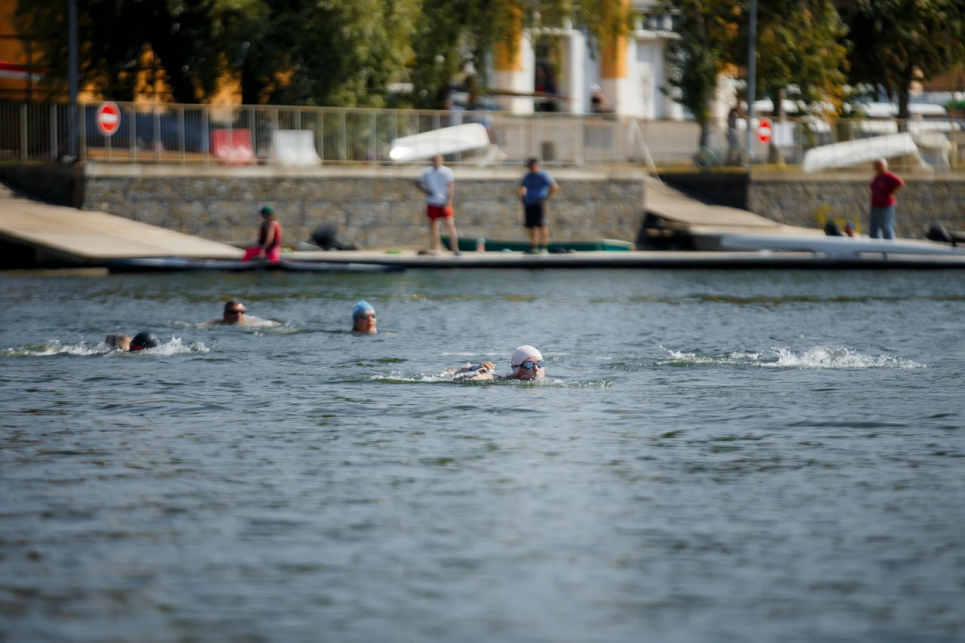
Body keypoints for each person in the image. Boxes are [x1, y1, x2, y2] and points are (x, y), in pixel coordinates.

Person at [415, 155, 460, 256]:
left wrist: (448, 202)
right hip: (432, 202)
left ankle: (455, 249)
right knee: (434, 226)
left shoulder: (447, 172)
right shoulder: (428, 172)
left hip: (444, 202)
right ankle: (437, 249)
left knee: (450, 224)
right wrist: (426, 191)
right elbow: (417, 182)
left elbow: (451, 188)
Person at [517, 158, 559, 254]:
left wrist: (546, 197)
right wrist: (522, 196)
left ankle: (543, 246)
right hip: (528, 202)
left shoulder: (543, 175)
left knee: (540, 224)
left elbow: (554, 186)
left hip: (538, 202)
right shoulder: (527, 176)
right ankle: (533, 245)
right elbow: (522, 186)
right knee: (531, 225)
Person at [455, 345, 546, 382]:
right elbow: (471, 379)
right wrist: (479, 372)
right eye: (528, 365)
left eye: (540, 364)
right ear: (518, 369)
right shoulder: (501, 379)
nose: (536, 369)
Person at [869, 158, 904, 240]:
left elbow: (900, 183)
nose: (876, 168)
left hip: (885, 206)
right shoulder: (877, 177)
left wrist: (892, 192)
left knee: (886, 226)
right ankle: (875, 247)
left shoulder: (889, 176)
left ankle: (889, 247)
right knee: (874, 227)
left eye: (877, 166)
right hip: (875, 206)